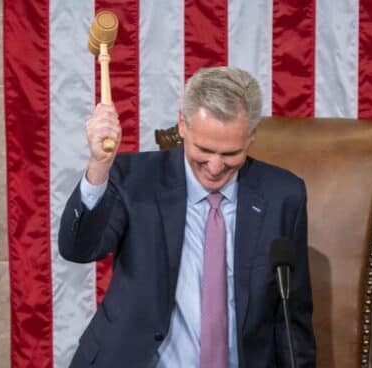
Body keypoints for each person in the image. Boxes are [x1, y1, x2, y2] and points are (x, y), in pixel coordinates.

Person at [59, 67, 316, 367]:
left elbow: (291, 319)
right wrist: (99, 167)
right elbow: (78, 248)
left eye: (231, 153)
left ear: (251, 138)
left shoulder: (282, 196)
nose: (216, 167)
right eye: (204, 150)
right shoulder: (134, 180)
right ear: (183, 124)